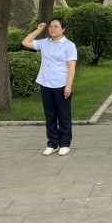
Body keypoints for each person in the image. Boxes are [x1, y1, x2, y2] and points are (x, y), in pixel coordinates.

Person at [22, 18, 77, 156]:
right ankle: (52, 143)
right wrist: (38, 30)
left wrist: (68, 85)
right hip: (46, 84)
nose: (52, 29)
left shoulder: (69, 45)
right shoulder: (45, 42)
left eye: (56, 26)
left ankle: (65, 144)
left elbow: (71, 66)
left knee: (63, 116)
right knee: (50, 115)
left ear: (63, 29)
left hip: (61, 85)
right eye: (51, 26)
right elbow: (25, 42)